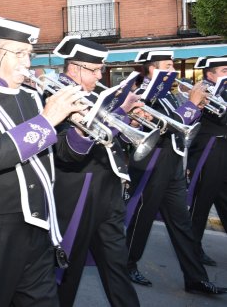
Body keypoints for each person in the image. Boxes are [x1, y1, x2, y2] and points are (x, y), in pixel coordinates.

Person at [0, 13, 87, 306]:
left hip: (38, 229)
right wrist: (48, 120)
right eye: (19, 53)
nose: (27, 62)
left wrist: (81, 131)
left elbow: (60, 155)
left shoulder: (33, 98)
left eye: (29, 54)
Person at [125, 50, 226, 295]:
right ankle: (126, 264)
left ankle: (195, 278)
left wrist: (197, 105)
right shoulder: (143, 94)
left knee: (181, 223)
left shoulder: (169, 95)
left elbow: (184, 125)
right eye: (168, 66)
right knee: (142, 218)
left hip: (172, 161)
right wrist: (192, 103)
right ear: (153, 69)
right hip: (152, 162)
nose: (174, 71)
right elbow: (165, 126)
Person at [50, 37, 140, 306]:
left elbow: (109, 139)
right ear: (75, 68)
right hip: (77, 193)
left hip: (107, 190)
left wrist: (128, 120)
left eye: (101, 69)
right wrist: (120, 112)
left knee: (116, 266)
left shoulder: (93, 96)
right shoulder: (57, 95)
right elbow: (66, 151)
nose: (100, 75)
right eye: (94, 69)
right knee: (67, 270)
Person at [187, 56, 227, 266]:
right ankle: (193, 250)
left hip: (223, 151)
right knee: (200, 204)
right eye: (223, 70)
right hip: (208, 153)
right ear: (210, 74)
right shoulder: (203, 91)